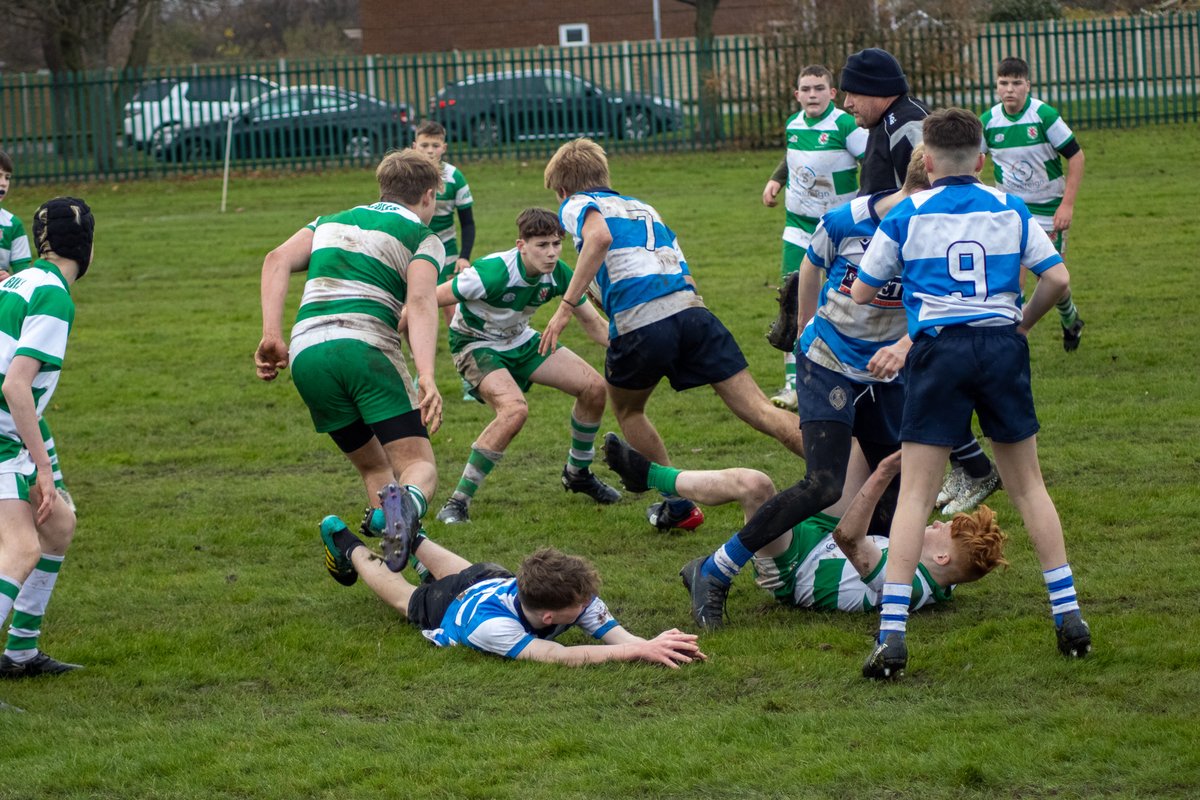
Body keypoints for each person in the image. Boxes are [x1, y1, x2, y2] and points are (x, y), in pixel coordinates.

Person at [850, 108, 1092, 679]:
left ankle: (892, 637)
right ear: (982, 160)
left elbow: (861, 291)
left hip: (939, 350)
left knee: (916, 496)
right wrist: (1022, 323)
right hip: (1000, 345)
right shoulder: (1010, 206)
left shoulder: (907, 213)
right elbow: (1057, 278)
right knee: (1028, 486)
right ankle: (1069, 616)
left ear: (927, 163)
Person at [673, 148, 928, 630]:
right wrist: (805, 329)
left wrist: (904, 346)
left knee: (896, 482)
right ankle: (714, 570)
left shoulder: (934, 227)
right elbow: (809, 267)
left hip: (884, 372)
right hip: (828, 361)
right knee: (825, 482)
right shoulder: (848, 220)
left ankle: (871, 585)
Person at [540, 138, 806, 532]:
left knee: (629, 411)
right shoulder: (645, 208)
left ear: (563, 189)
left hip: (643, 322)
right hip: (693, 312)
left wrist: (565, 308)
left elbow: (599, 238)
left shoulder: (576, 203)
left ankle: (678, 506)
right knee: (761, 410)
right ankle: (839, 471)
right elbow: (684, 273)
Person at [255, 150, 444, 569]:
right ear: (429, 195)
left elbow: (276, 259)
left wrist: (271, 335)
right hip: (365, 346)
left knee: (375, 467)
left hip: (307, 353)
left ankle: (403, 560)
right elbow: (420, 301)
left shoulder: (328, 221)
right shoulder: (423, 237)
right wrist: (427, 374)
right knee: (418, 465)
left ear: (383, 187)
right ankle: (401, 515)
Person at [838, 50, 1000, 516]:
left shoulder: (908, 124)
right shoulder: (885, 124)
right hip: (889, 263)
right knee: (907, 374)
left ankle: (970, 467)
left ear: (877, 91)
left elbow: (927, 191)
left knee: (914, 372)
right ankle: (961, 465)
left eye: (852, 93)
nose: (847, 103)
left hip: (911, 269)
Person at [602, 436, 1007, 616]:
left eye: (940, 531)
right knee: (860, 444)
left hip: (796, 566)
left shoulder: (910, 588)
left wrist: (883, 474)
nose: (933, 524)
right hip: (823, 536)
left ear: (942, 556)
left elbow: (848, 538)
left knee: (755, 486)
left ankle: (651, 476)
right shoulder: (946, 578)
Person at [315, 513, 706, 668]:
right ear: (549, 617)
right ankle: (345, 541)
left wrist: (651, 644)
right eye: (583, 602)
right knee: (407, 600)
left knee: (467, 574)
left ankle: (403, 531)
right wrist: (638, 650)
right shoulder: (494, 629)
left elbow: (619, 637)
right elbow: (561, 655)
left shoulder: (574, 594)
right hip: (454, 606)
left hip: (489, 578)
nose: (591, 604)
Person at [433, 208, 619, 524]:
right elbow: (426, 299)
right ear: (522, 246)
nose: (551, 253)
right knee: (514, 411)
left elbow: (595, 325)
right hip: (475, 344)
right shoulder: (491, 273)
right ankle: (456, 502)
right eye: (542, 245)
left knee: (594, 388)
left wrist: (637, 348)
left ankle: (577, 473)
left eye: (556, 244)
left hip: (520, 339)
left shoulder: (559, 273)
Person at [0, 197, 95, 680]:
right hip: (2, 439)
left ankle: (20, 653)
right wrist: (42, 468)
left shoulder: (17, 281)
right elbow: (15, 386)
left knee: (57, 526)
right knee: (22, 549)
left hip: (8, 433)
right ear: (87, 247)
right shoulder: (54, 296)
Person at [761, 65, 866, 412]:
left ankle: (848, 372)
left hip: (839, 231)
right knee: (792, 299)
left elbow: (872, 160)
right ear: (797, 95)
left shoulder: (845, 125)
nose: (812, 95)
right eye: (805, 89)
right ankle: (794, 384)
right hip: (798, 227)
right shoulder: (793, 124)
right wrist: (776, 179)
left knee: (843, 300)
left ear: (832, 93)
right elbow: (792, 157)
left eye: (819, 88)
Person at [981, 56, 1086, 352]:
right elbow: (973, 162)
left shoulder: (1043, 116)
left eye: (1016, 83)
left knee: (1051, 279)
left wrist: (1067, 205)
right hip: (1010, 212)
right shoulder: (988, 122)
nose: (1009, 89)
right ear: (996, 86)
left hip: (1049, 210)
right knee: (1012, 277)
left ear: (1027, 85)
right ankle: (1014, 338)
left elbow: (1076, 157)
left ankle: (1070, 319)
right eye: (1003, 83)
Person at [0, 151, 32, 279]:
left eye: (7, 177)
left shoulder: (13, 224)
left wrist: (8, 281)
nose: (4, 183)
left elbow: (23, 277)